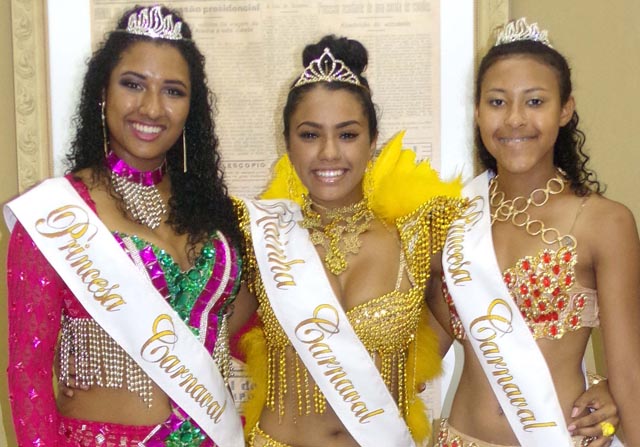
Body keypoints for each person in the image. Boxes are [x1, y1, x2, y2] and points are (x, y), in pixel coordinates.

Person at [5, 5, 246, 447]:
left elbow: (248, 329)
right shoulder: (57, 215)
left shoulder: (215, 214)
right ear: (102, 91)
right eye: (133, 84)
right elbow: (28, 372)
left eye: (173, 91)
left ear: (191, 108)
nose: (152, 108)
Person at [234, 35, 465, 447]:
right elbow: (188, 335)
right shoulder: (257, 237)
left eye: (347, 135)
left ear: (373, 141)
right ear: (286, 142)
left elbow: (502, 320)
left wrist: (597, 390)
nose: (328, 153)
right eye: (309, 135)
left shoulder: (420, 235)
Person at [429, 18, 640, 447]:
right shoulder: (452, 219)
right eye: (497, 102)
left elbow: (629, 376)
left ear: (565, 109)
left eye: (535, 101)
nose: (514, 119)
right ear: (477, 110)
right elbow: (420, 350)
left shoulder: (604, 222)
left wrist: (609, 391)